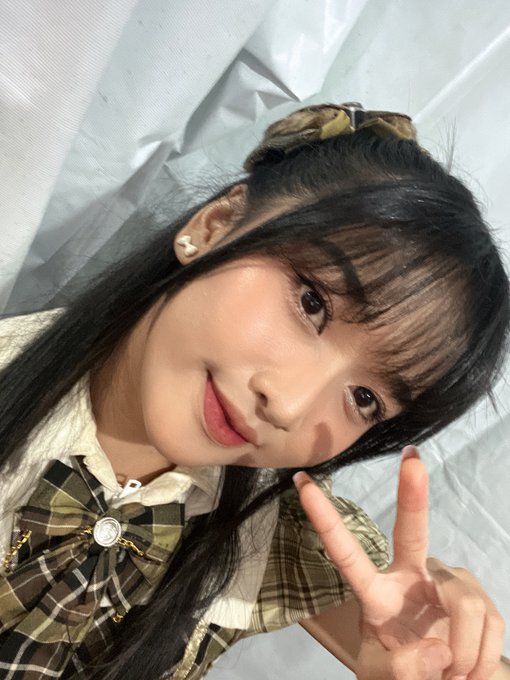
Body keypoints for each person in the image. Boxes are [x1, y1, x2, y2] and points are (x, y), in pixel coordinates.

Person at [0, 102, 508, 680]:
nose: (288, 405)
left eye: (365, 399)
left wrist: (453, 658)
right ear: (214, 226)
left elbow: (411, 642)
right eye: (312, 303)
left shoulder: (272, 535)